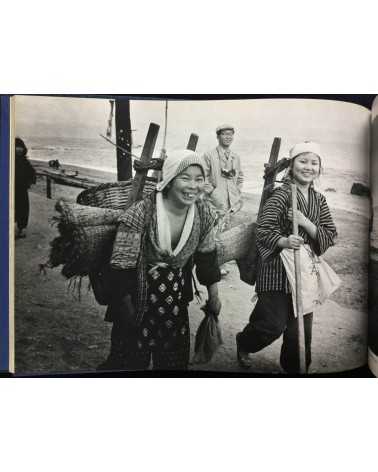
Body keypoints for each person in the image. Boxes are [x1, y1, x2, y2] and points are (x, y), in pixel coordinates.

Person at [99, 149, 222, 371]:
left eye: (199, 179)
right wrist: (126, 309)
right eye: (185, 178)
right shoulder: (142, 212)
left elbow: (207, 258)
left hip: (174, 299)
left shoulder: (204, 214)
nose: (193, 186)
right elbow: (121, 264)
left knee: (172, 363)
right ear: (170, 179)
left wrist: (214, 295)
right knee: (128, 360)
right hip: (136, 296)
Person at [236, 142, 337, 374]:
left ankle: (295, 371)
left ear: (319, 169)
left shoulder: (319, 200)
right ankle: (245, 342)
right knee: (271, 325)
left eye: (314, 163)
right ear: (292, 165)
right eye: (303, 161)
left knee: (300, 332)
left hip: (305, 272)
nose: (308, 167)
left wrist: (306, 223)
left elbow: (330, 235)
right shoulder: (281, 195)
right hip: (276, 270)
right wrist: (283, 241)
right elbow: (263, 230)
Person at [202, 124, 244, 275]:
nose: (228, 137)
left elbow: (240, 177)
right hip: (213, 201)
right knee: (211, 231)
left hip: (230, 202)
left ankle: (219, 263)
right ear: (218, 136)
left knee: (224, 232)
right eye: (225, 134)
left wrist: (237, 193)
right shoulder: (209, 155)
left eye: (231, 134)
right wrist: (212, 192)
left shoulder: (235, 157)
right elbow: (203, 176)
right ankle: (209, 263)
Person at [14, 137, 36, 239]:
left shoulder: (25, 161)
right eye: (16, 147)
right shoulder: (8, 160)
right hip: (11, 189)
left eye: (20, 147)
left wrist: (30, 182)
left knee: (23, 208)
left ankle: (22, 228)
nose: (19, 149)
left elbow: (32, 173)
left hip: (22, 189)